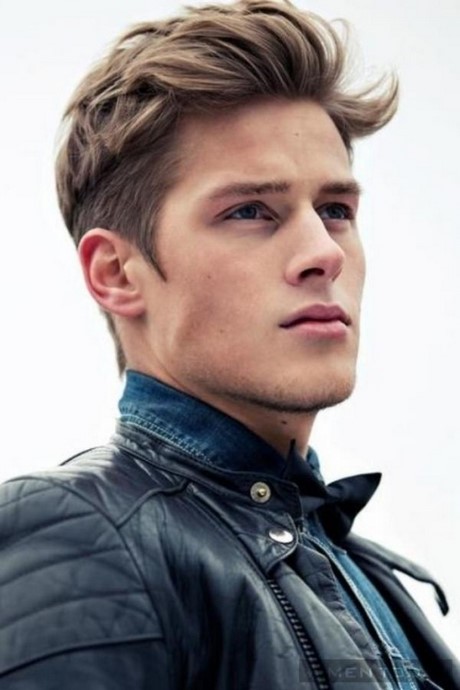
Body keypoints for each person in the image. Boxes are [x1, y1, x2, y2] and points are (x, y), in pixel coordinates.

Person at [0, 0, 458, 687]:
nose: (324, 253)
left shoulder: (367, 574)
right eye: (250, 211)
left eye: (335, 210)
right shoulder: (80, 532)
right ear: (116, 272)